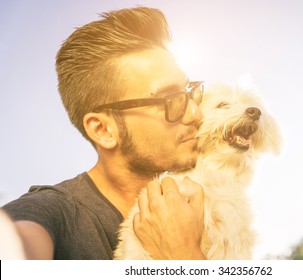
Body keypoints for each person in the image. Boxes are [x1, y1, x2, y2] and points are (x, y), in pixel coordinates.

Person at [1, 7, 206, 260]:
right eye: (169, 100)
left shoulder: (200, 203)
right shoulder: (52, 213)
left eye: (188, 92)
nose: (196, 113)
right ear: (103, 130)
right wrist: (184, 256)